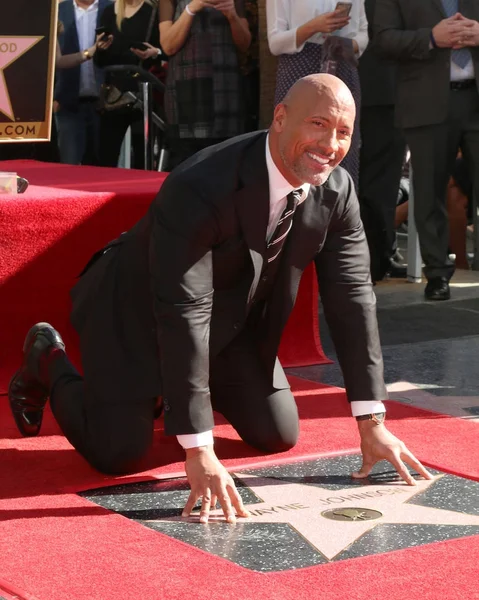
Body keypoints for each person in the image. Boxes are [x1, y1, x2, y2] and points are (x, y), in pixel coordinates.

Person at [9, 74, 432, 525]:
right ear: (281, 117)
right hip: (136, 314)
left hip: (230, 326)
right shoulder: (201, 184)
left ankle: (169, 394)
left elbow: (352, 297)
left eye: (343, 132)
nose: (330, 144)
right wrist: (199, 447)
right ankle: (47, 358)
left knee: (278, 434)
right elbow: (183, 309)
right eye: (318, 123)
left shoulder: (337, 190)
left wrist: (373, 422)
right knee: (119, 453)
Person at [374, 0, 479, 300]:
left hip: (476, 99)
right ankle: (436, 273)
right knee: (429, 189)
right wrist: (431, 37)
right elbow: (383, 39)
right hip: (425, 103)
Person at [266, 0, 368, 189]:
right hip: (300, 68)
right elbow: (275, 42)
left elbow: (363, 36)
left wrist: (346, 43)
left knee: (340, 143)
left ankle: (337, 211)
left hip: (343, 66)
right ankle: (288, 210)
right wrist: (314, 26)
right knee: (296, 144)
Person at [159, 0, 251, 169]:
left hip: (226, 92)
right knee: (185, 167)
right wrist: (191, 8)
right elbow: (168, 45)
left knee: (227, 167)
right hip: (187, 93)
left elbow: (244, 44)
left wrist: (231, 15)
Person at [358, 0, 406, 283]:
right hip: (381, 89)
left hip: (369, 86)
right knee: (379, 182)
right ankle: (377, 257)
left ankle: (380, 252)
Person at [93, 0, 163, 169]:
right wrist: (100, 48)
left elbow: (164, 50)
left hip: (144, 93)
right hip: (115, 94)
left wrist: (155, 53)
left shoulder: (152, 11)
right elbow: (99, 61)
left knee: (142, 155)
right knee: (106, 155)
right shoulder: (110, 11)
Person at [55, 0, 111, 166]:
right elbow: (51, 59)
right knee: (69, 168)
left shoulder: (110, 9)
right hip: (68, 104)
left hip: (105, 105)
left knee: (103, 169)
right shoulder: (58, 12)